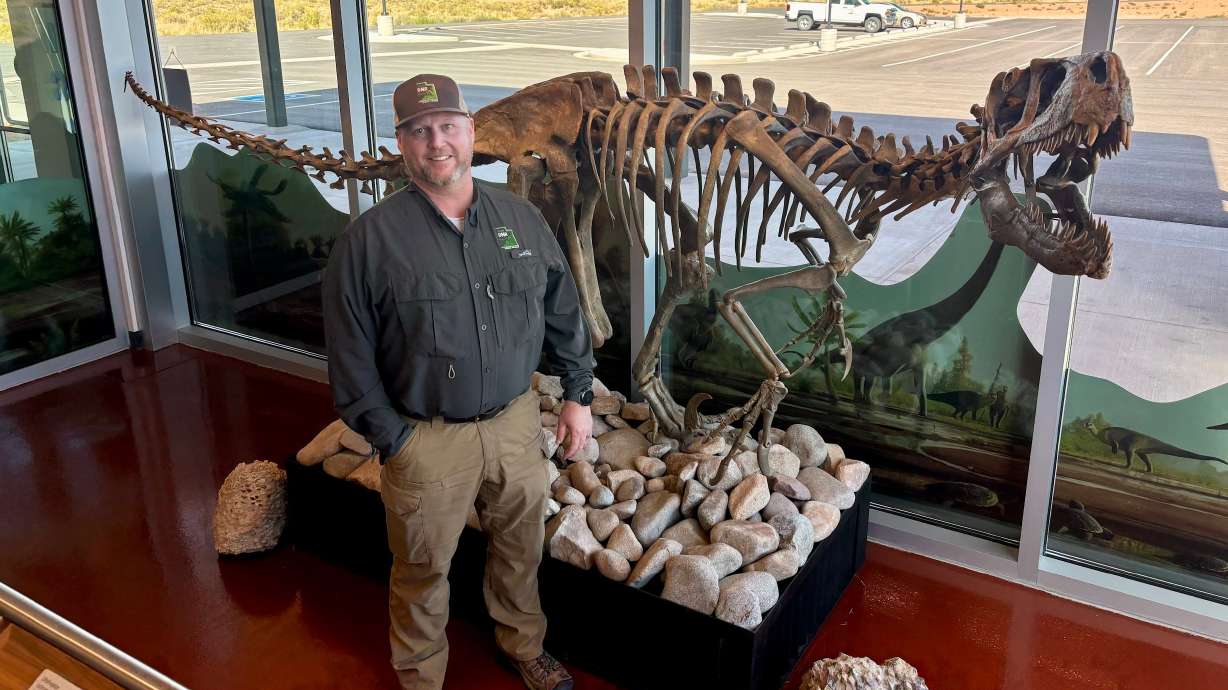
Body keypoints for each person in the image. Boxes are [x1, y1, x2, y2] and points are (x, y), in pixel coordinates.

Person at [322, 73, 595, 690]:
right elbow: (349, 358)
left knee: (520, 547)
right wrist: (394, 440)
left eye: (447, 127)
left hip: (514, 424)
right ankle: (421, 677)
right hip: (426, 438)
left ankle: (522, 643)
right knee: (420, 568)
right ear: (402, 144)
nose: (436, 142)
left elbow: (563, 310)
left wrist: (577, 396)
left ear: (472, 133)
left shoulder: (521, 219)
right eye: (419, 131)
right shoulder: (368, 241)